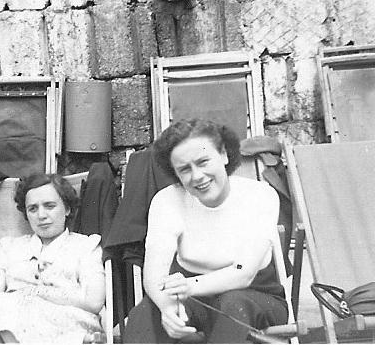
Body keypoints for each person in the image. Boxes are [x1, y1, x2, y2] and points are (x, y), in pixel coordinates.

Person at [123, 118, 288, 343]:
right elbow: (154, 275)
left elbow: (244, 272)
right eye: (184, 169)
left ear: (224, 155)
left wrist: (187, 286)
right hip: (195, 300)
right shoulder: (166, 201)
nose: (197, 176)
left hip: (255, 296)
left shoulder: (260, 196)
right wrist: (167, 308)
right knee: (145, 314)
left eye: (203, 162)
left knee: (233, 306)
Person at [0, 173, 106, 343]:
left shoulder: (86, 246)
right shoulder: (9, 247)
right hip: (11, 322)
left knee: (23, 312)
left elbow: (93, 302)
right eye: (33, 208)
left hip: (65, 320)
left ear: (67, 209)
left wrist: (39, 293)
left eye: (49, 206)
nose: (41, 215)